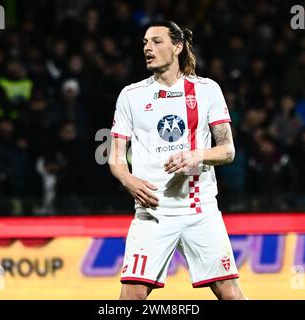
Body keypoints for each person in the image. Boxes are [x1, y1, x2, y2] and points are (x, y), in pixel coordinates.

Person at [108, 21, 246, 300]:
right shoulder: (130, 96)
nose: (148, 47)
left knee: (230, 294)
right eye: (145, 42)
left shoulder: (207, 90)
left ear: (178, 46)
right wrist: (127, 178)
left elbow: (228, 150)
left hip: (199, 212)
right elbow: (115, 154)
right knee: (130, 297)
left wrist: (198, 154)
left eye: (157, 41)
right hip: (152, 212)